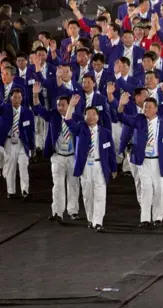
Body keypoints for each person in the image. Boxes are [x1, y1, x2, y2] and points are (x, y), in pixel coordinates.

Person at [117, 93, 163, 228]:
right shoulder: (139, 120)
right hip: (143, 161)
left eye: (149, 107)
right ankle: (145, 218)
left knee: (160, 190)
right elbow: (122, 117)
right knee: (146, 189)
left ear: (156, 109)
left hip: (159, 162)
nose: (146, 110)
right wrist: (121, 105)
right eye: (144, 107)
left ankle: (158, 218)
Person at [64, 94, 117, 232]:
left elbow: (111, 151)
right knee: (88, 195)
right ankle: (90, 219)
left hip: (100, 166)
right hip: (86, 166)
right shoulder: (81, 128)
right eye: (88, 115)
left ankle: (98, 222)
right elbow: (68, 120)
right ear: (84, 117)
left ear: (98, 117)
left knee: (100, 194)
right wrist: (71, 106)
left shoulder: (105, 132)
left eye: (94, 114)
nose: (91, 117)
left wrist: (113, 168)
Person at [32, 83, 80, 222]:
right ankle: (57, 212)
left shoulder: (76, 118)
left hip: (72, 157)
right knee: (57, 185)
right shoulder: (53, 115)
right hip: (57, 157)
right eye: (58, 105)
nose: (60, 107)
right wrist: (35, 94)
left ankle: (73, 211)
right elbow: (38, 109)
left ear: (70, 105)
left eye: (63, 105)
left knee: (73, 184)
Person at [0, 88, 34, 200]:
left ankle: (25, 191)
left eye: (19, 97)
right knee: (10, 166)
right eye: (15, 97)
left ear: (22, 98)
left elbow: (31, 131)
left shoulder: (28, 112)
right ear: (10, 98)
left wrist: (32, 147)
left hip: (22, 143)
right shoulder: (4, 108)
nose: (17, 100)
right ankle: (11, 191)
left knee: (24, 166)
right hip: (8, 141)